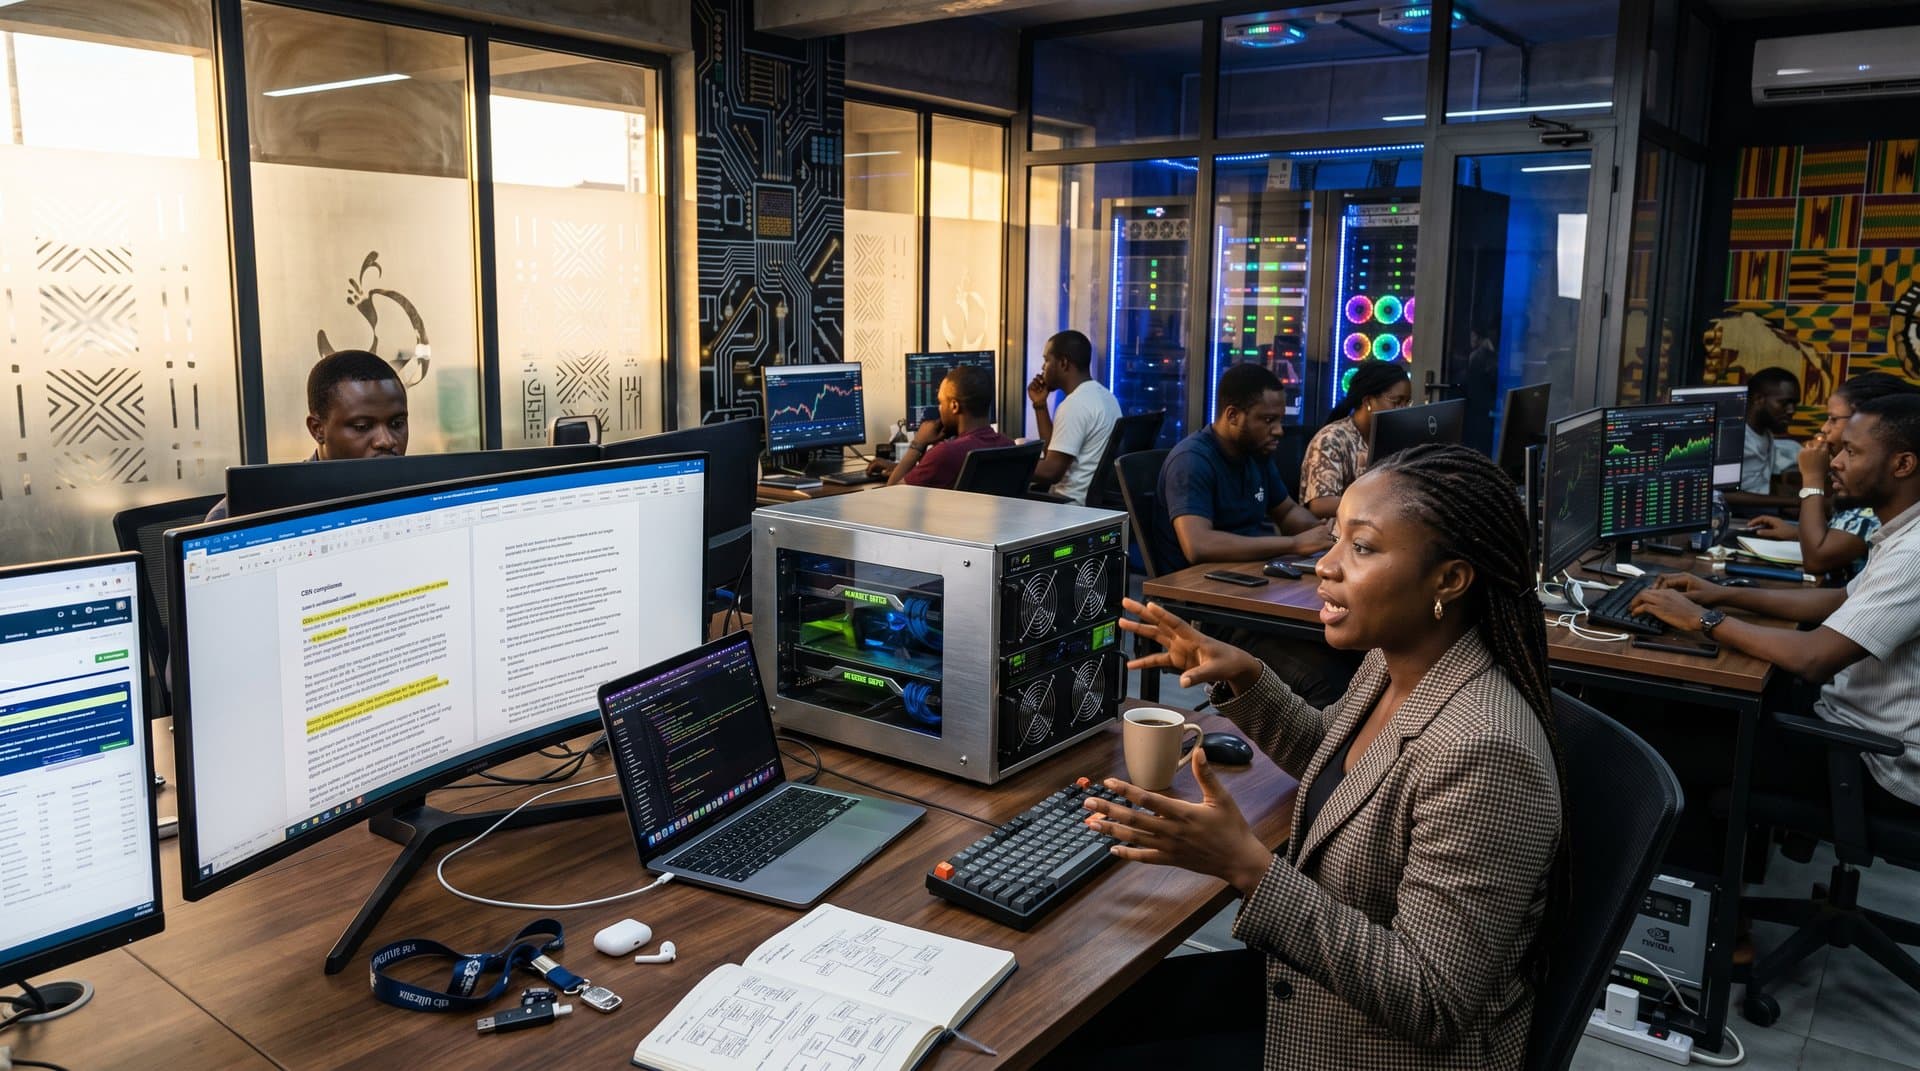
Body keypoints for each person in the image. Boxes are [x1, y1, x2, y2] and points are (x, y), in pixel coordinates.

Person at [1050, 444, 1566, 1070]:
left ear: (1449, 580)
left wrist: (1249, 869)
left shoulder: (1486, 751)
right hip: (1316, 993)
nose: (1326, 565)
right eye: (1336, 539)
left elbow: (1434, 1002)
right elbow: (1345, 767)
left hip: (1373, 1049)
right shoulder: (1398, 660)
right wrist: (1246, 677)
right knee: (1079, 1025)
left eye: (1363, 548)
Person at [1632, 392, 1920, 811]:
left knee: (1655, 745)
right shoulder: (1901, 532)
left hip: (1870, 759)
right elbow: (1841, 599)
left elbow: (1814, 658)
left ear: (1903, 464)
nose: (1835, 462)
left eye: (1852, 452)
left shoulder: (1913, 553)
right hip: (1848, 724)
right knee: (1682, 708)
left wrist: (1704, 619)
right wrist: (1722, 593)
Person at [1744, 372, 1919, 579]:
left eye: (1833, 419)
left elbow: (1817, 558)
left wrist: (1812, 478)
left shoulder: (1880, 491)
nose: (1824, 428)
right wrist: (1796, 533)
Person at [204, 350, 409, 522]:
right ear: (318, 429)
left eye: (397, 424)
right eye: (362, 426)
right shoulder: (246, 513)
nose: (386, 440)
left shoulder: (424, 493)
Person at [865, 364, 1012, 489]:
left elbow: (891, 494)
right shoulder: (1008, 446)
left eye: (941, 403)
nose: (939, 409)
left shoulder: (945, 454)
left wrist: (918, 444)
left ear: (954, 406)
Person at [1298, 359, 1413, 518]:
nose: (1403, 410)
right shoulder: (1331, 439)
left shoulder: (1396, 437)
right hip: (1340, 534)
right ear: (1368, 401)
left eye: (1407, 403)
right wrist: (1381, 506)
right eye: (1396, 402)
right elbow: (1321, 504)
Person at [1026, 330, 1121, 504]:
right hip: (1090, 506)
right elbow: (1052, 455)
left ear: (1063, 363)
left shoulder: (1074, 405)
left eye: (1047, 360)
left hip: (1068, 508)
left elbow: (1051, 472)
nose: (1042, 368)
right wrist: (1040, 405)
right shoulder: (1106, 397)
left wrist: (1004, 465)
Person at [1727, 366, 1802, 513]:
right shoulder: (1733, 436)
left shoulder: (1766, 433)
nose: (1791, 410)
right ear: (1758, 399)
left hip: (1760, 511)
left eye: (1795, 404)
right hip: (1736, 515)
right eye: (1784, 403)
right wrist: (1796, 502)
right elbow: (1724, 494)